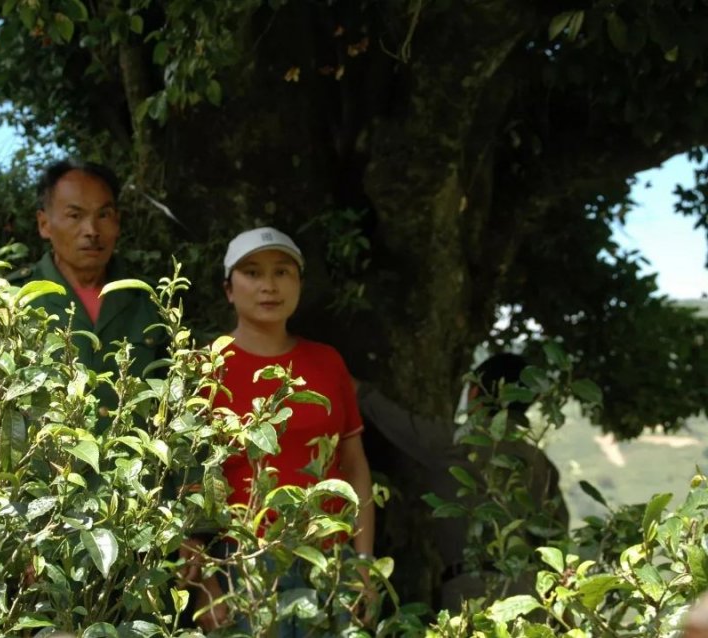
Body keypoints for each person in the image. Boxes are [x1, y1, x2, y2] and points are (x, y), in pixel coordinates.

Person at [195, 227, 376, 634]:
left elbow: (354, 466)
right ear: (228, 289)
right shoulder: (205, 368)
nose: (269, 286)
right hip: (239, 566)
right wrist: (204, 582)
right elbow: (189, 485)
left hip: (328, 561)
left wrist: (364, 567)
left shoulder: (327, 363)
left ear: (298, 284)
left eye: (282, 272)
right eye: (253, 273)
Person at [357, 353, 568, 612]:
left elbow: (396, 420)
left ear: (475, 393)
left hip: (473, 591)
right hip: (533, 592)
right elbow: (558, 532)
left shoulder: (456, 443)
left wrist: (350, 384)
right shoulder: (540, 462)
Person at [8, 159, 166, 413]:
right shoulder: (14, 298)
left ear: (118, 222)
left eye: (103, 215)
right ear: (44, 224)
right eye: (75, 215)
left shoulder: (148, 301)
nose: (91, 230)